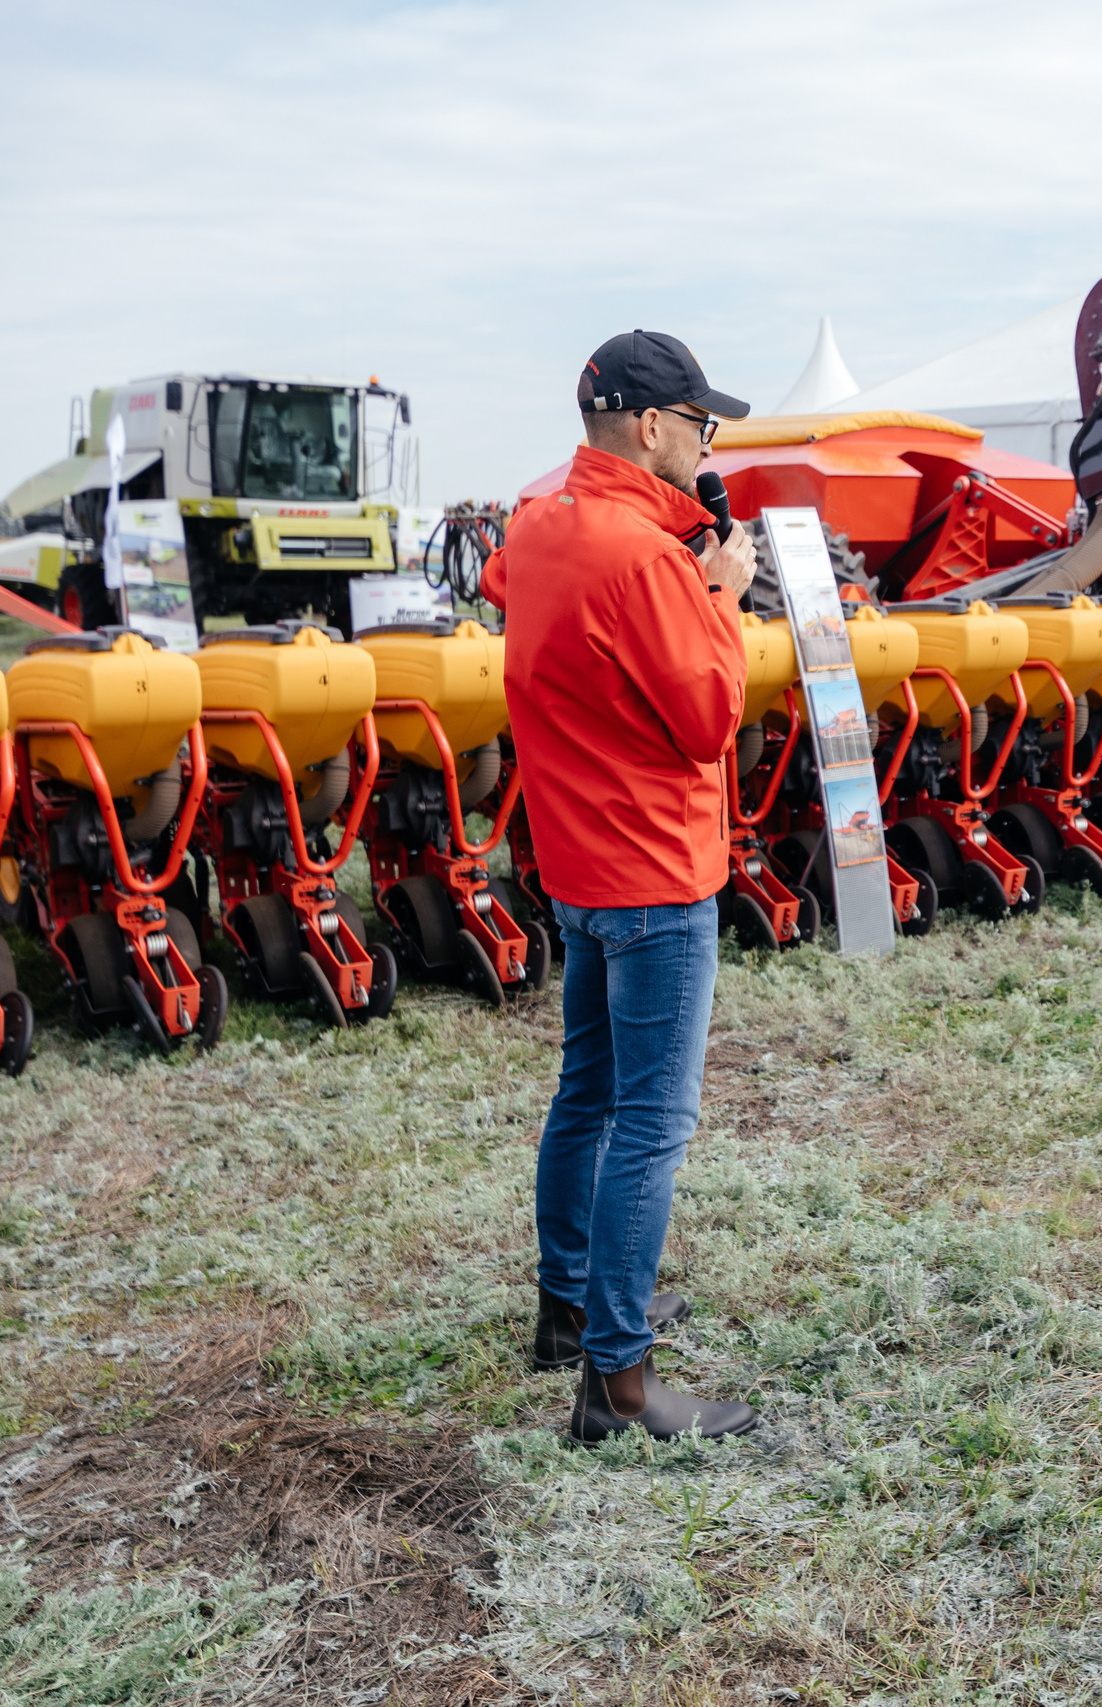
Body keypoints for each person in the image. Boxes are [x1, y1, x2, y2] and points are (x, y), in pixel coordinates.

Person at [485, 330, 760, 1442]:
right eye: (700, 425)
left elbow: (534, 596)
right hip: (655, 860)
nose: (705, 446)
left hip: (579, 857)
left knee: (586, 1094)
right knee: (651, 1122)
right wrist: (722, 599)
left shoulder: (543, 527)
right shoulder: (648, 559)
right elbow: (705, 718)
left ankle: (571, 1307)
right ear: (650, 427)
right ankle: (616, 1381)